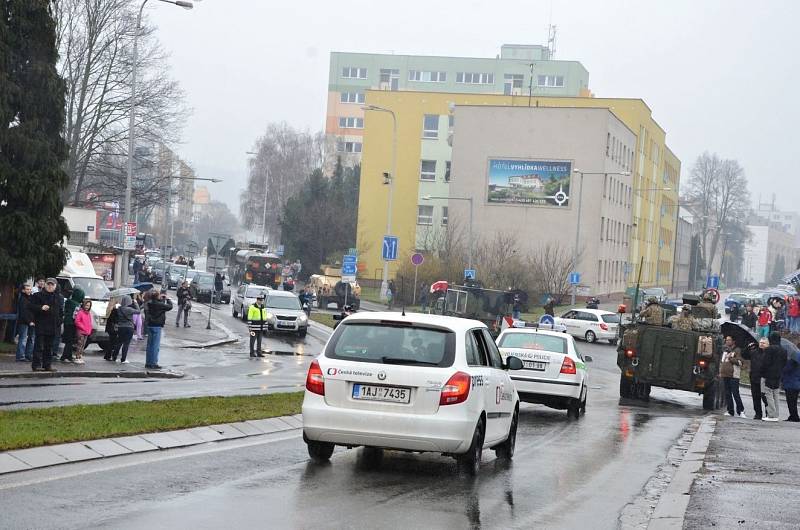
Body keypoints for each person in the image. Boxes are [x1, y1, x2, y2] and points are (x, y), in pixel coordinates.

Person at [29, 278, 64, 372]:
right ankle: (36, 365)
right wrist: (41, 308)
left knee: (49, 347)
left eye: (52, 285)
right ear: (45, 285)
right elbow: (30, 307)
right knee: (39, 346)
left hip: (53, 325)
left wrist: (59, 321)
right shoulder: (37, 295)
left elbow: (61, 312)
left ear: (55, 286)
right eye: (48, 284)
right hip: (41, 324)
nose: (50, 286)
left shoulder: (59, 297)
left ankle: (47, 365)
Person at [762, 332, 787, 422]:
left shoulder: (769, 349)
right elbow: (784, 363)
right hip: (778, 374)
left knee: (768, 393)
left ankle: (771, 414)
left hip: (769, 374)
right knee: (776, 394)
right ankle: (776, 415)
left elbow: (765, 363)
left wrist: (763, 372)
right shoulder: (784, 350)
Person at [145, 289, 172, 369]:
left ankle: (148, 362)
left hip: (150, 325)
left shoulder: (149, 303)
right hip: (157, 326)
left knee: (149, 345)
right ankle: (153, 363)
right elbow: (169, 307)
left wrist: (160, 299)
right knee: (155, 346)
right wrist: (168, 299)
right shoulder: (159, 304)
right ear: (157, 296)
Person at [720, 336, 746, 418]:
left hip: (734, 375)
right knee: (727, 393)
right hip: (725, 374)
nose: (727, 341)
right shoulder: (725, 350)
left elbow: (740, 362)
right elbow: (723, 361)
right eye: (726, 340)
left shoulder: (737, 350)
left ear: (733, 341)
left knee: (735, 393)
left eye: (729, 340)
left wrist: (731, 358)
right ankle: (730, 410)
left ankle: (741, 410)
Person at [744, 338, 769, 420]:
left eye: (764, 343)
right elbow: (744, 355)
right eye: (761, 343)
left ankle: (768, 413)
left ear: (768, 344)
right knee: (756, 397)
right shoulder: (754, 352)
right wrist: (748, 347)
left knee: (765, 398)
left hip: (764, 379)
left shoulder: (769, 353)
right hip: (754, 377)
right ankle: (758, 414)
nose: (761, 344)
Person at [60, 288, 84, 363]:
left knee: (69, 341)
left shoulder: (68, 301)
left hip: (67, 323)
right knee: (70, 341)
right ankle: (65, 356)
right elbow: (76, 315)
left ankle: (68, 356)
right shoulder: (76, 304)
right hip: (72, 323)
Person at [113, 295, 140, 363]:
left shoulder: (119, 309)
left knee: (119, 342)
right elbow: (138, 311)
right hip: (129, 327)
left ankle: (114, 357)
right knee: (126, 344)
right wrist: (136, 303)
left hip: (121, 327)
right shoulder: (129, 309)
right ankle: (123, 359)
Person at [15, 284, 35, 362]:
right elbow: (23, 312)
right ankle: (20, 356)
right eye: (27, 289)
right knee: (23, 339)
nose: (29, 291)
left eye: (30, 289)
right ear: (23, 290)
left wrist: (33, 320)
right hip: (24, 322)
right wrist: (29, 321)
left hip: (32, 322)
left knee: (31, 338)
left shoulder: (31, 298)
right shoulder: (22, 299)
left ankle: (28, 355)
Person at [781, 343, 800, 422]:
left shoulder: (794, 358)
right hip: (797, 382)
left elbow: (787, 369)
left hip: (791, 382)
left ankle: (794, 416)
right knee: (794, 401)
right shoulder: (797, 357)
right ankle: (793, 415)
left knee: (790, 401)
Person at [73, 299, 93, 365]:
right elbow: (77, 321)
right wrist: (83, 327)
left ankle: (80, 355)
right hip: (81, 331)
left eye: (89, 306)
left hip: (86, 332)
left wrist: (89, 329)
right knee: (80, 344)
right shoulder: (80, 312)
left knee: (83, 345)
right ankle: (77, 357)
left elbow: (89, 322)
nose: (87, 307)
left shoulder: (88, 313)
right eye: (86, 305)